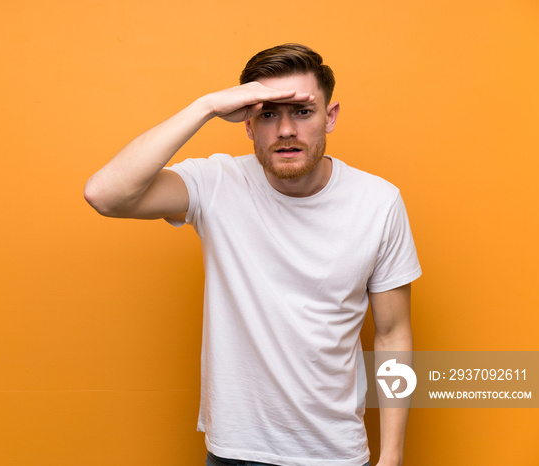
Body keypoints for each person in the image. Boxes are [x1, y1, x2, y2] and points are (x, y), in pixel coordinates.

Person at [85, 43, 421, 466]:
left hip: (333, 454)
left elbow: (393, 336)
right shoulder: (216, 184)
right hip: (234, 453)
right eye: (267, 114)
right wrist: (205, 106)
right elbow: (104, 194)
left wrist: (392, 455)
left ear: (329, 117)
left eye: (302, 111)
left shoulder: (378, 202)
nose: (285, 130)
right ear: (247, 123)